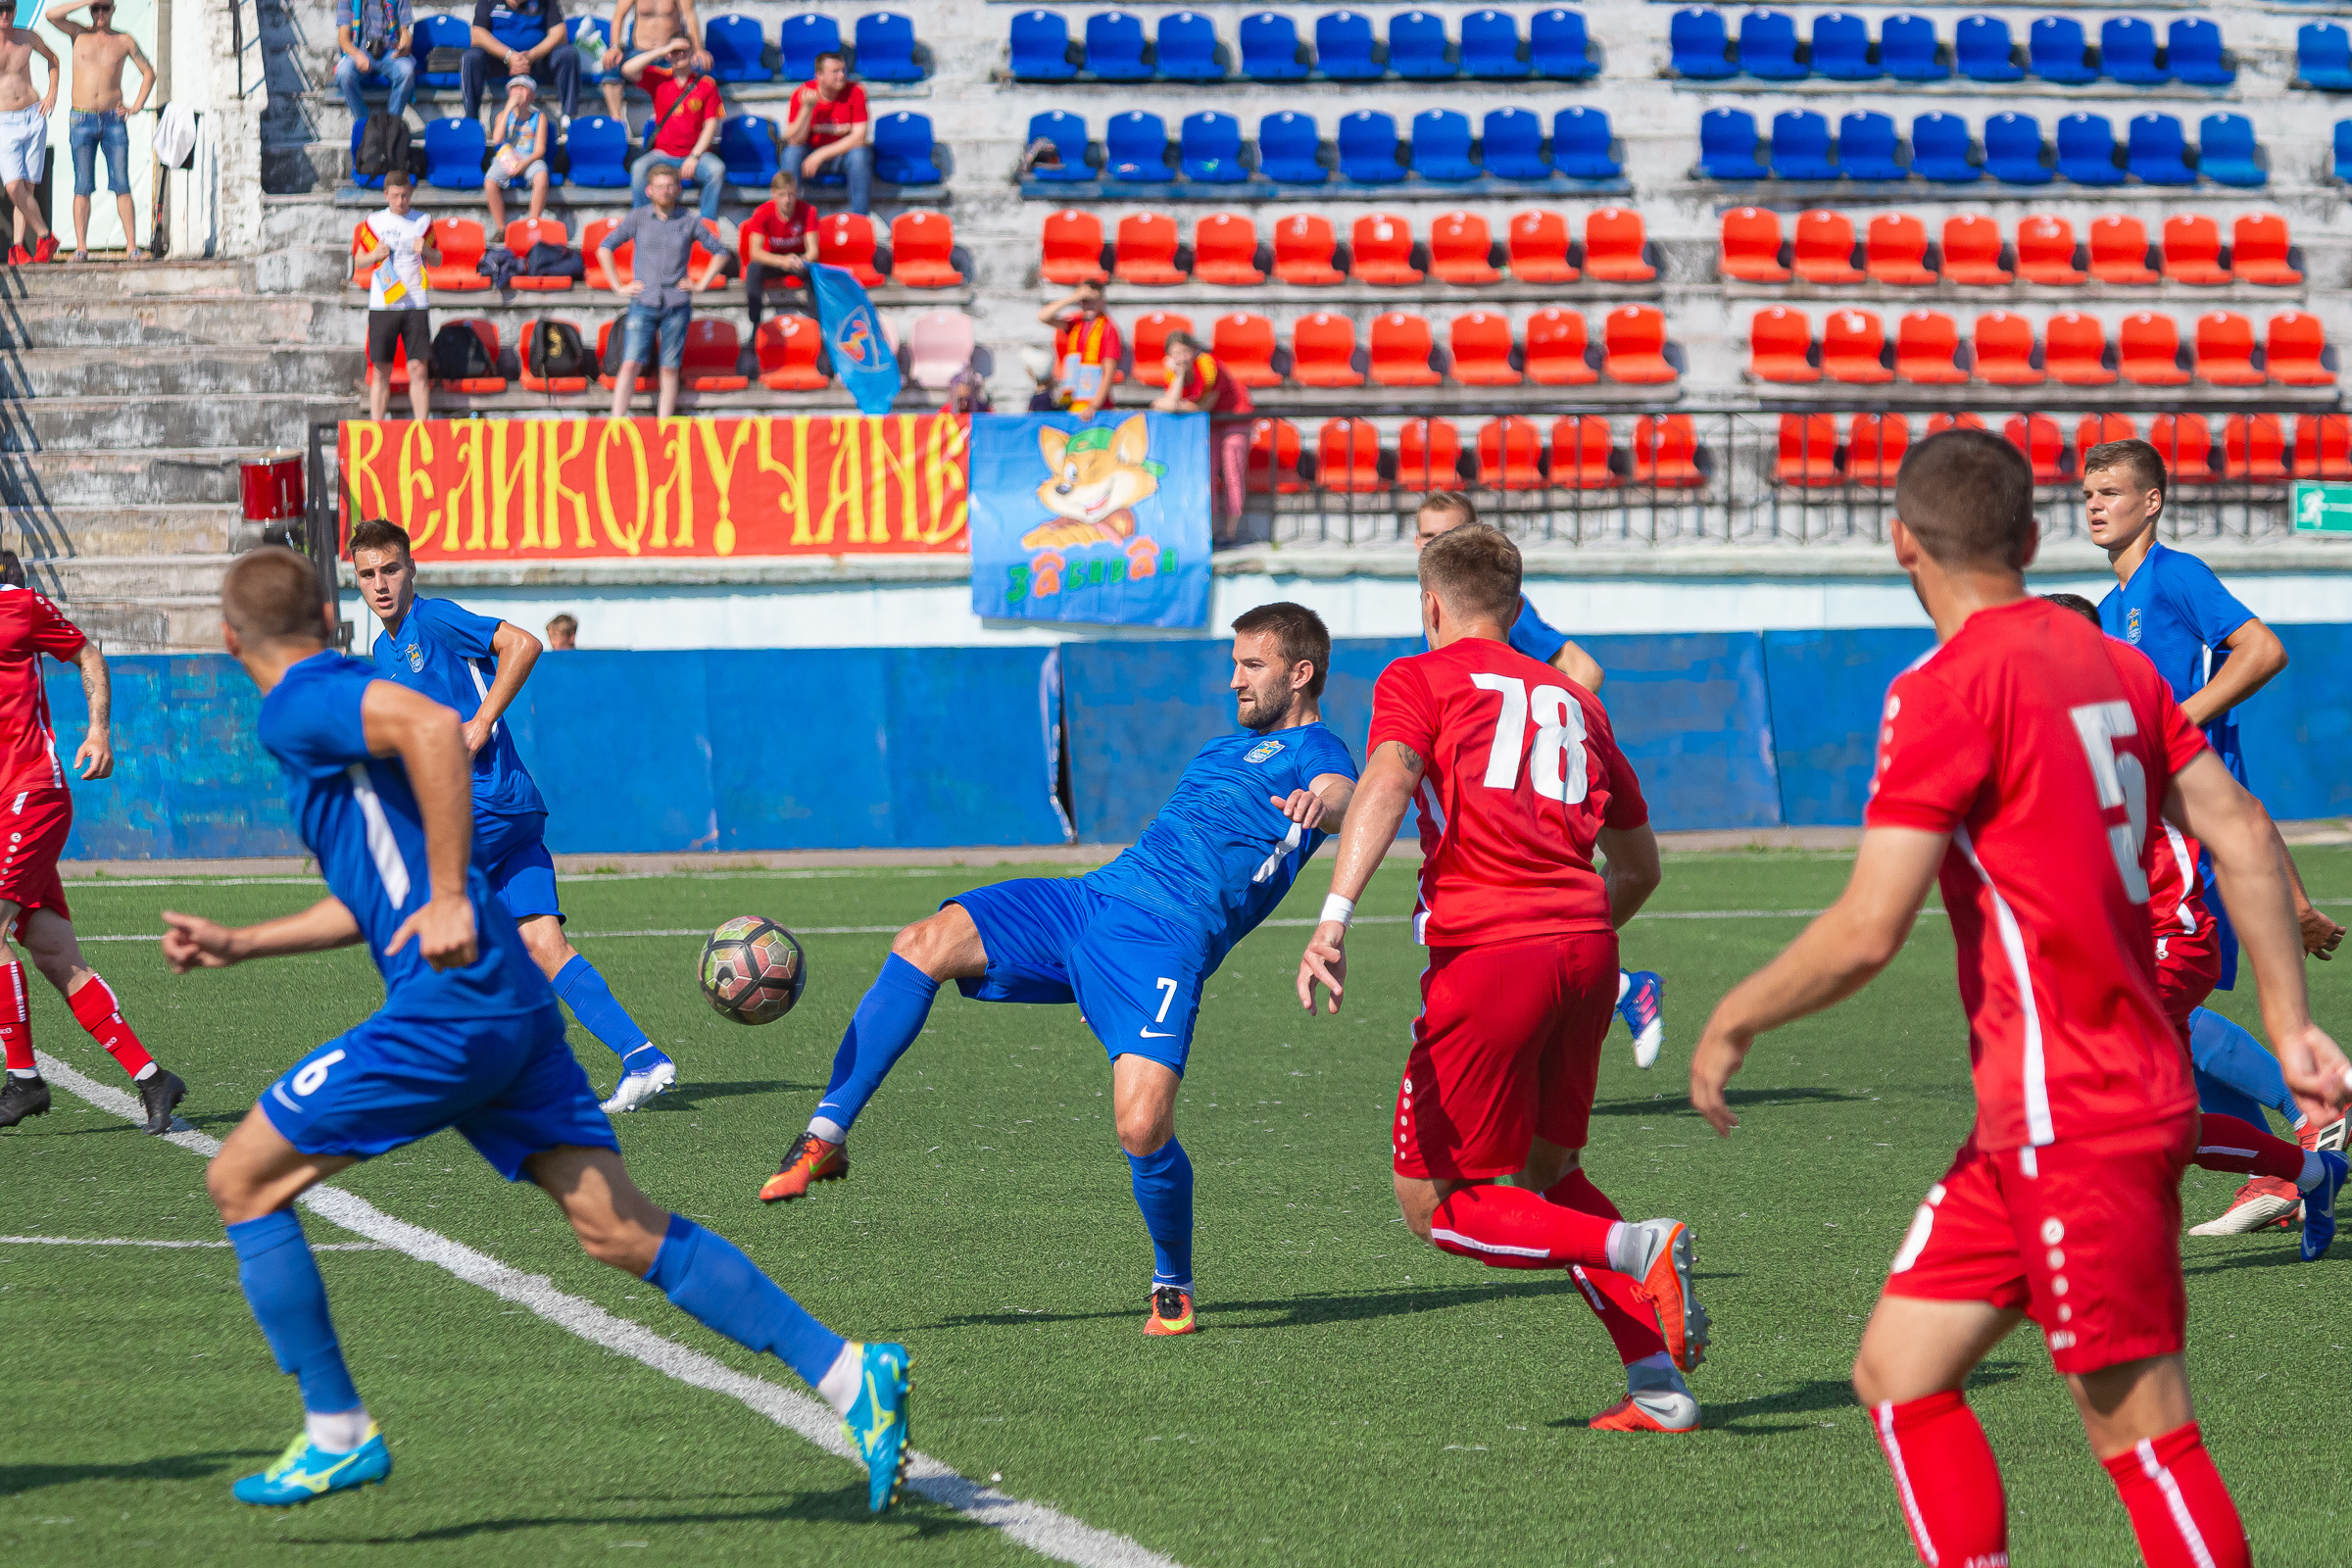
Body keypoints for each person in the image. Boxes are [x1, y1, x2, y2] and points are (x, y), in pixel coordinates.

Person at [1689, 429, 2352, 1568]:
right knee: (1899, 1374)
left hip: (2074, 1112)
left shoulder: (1942, 691)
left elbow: (1865, 930)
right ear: (2037, 537)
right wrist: (2291, 1021)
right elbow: (2238, 827)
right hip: (2033, 1120)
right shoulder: (2118, 662)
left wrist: (1735, 1014)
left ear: (1901, 543)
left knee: (2144, 1437)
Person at [168, 548, 911, 1512]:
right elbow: (377, 892)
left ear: (231, 641)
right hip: (508, 999)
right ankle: (851, 1372)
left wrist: (444, 892)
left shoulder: (298, 702)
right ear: (328, 605)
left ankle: (335, 1427)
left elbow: (439, 730)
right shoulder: (355, 689)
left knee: (238, 1178)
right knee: (617, 1227)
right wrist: (243, 939)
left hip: (453, 1007)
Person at [760, 604, 1360, 1339]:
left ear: (1301, 674)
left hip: (1161, 947)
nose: (1233, 679)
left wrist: (1323, 804)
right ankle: (825, 1135)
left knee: (1142, 1128)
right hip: (1090, 902)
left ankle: (1172, 1282)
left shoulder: (1316, 748)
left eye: (1252, 665)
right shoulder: (1213, 750)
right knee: (924, 940)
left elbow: (1345, 796)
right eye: (1233, 663)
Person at [1295, 525, 1706, 1434]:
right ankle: (1659, 1388)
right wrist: (1574, 934)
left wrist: (1334, 915)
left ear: (1431, 606)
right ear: (1517, 613)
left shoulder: (1417, 677)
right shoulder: (1575, 699)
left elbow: (1389, 779)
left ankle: (1639, 1245)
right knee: (1552, 1174)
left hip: (1490, 959)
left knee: (1437, 1206)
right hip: (1588, 952)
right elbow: (1639, 867)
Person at [2041, 590, 2345, 1251]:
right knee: (2173, 1126)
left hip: (2173, 941)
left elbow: (2246, 815)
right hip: (2133, 948)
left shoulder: (2141, 736)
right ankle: (2310, 1172)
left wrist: (2293, 905)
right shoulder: (2063, 738)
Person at [347, 517, 678, 1114]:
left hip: (484, 805)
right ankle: (644, 1059)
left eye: (390, 569)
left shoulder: (433, 619)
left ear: (411, 568)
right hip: (511, 810)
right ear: (357, 580)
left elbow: (524, 644)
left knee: (425, 925)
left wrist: (482, 720)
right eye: (368, 574)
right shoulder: (381, 651)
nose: (381, 584)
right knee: (543, 943)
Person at [1411, 493, 1664, 1066]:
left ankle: (1613, 988)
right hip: (1479, 788)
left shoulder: (1502, 609)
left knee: (1497, 910)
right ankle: (1618, 987)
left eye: (1448, 534)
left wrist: (1535, 735)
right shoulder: (1437, 607)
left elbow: (1584, 671)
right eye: (1426, 536)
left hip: (1522, 782)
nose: (1435, 546)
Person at [2082, 437, 2328, 995]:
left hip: (2196, 818)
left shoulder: (2175, 574)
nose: (2095, 506)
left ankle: (2310, 1082)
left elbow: (2264, 651)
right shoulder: (2107, 608)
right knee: (2158, 1003)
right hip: (2158, 821)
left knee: (2163, 997)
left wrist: (2176, 720)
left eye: (2111, 493)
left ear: (2151, 502)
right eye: (2089, 494)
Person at [0, 551, 185, 1136]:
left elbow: (86, 652)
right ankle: (154, 1078)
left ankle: (24, 1082)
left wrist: (99, 731)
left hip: (32, 793)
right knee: (56, 956)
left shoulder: (17, 605)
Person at [599, 162, 723, 419]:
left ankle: (664, 426)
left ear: (678, 189)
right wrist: (617, 286)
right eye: (659, 186)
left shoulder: (689, 221)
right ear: (648, 191)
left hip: (676, 304)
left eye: (670, 186)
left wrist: (701, 284)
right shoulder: (638, 218)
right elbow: (604, 248)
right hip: (643, 301)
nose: (665, 191)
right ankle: (616, 421)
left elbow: (721, 252)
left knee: (669, 368)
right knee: (630, 363)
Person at [45, 0, 151, 263]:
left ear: (114, 9)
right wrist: (86, 2)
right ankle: (81, 248)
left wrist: (136, 106)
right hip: (82, 119)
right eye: (96, 9)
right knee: (82, 185)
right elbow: (50, 15)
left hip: (113, 120)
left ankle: (131, 247)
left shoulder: (124, 40)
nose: (100, 13)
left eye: (104, 7)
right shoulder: (78, 33)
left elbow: (149, 73)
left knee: (121, 183)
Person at [1149, 330, 1251, 545]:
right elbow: (1171, 403)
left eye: (1185, 351)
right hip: (1210, 422)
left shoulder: (1208, 366)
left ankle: (1230, 534)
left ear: (1194, 351)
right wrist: (1177, 376)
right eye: (1175, 353)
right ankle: (1210, 533)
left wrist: (1174, 405)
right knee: (1207, 475)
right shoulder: (1173, 372)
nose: (1181, 357)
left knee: (1233, 472)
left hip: (1234, 418)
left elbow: (1205, 406)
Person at [353, 170, 437, 424]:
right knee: (380, 370)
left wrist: (428, 251)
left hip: (415, 301)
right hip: (383, 303)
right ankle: (377, 428)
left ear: (411, 193)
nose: (401, 201)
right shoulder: (374, 222)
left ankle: (422, 426)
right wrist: (374, 255)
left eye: (405, 195)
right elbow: (359, 259)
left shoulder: (423, 221)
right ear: (386, 194)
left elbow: (439, 258)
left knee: (418, 368)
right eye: (396, 196)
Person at [621, 36, 723, 220]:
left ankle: (707, 226)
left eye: (684, 50)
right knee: (638, 168)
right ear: (669, 55)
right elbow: (627, 69)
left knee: (716, 170)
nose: (680, 55)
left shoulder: (707, 84)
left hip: (694, 156)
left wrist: (694, 156)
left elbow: (711, 125)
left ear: (693, 53)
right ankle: (643, 222)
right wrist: (662, 50)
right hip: (663, 155)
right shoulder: (660, 78)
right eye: (675, 51)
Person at [780, 51, 868, 215]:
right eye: (835, 71)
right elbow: (793, 140)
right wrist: (807, 109)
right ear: (819, 75)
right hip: (809, 154)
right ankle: (788, 220)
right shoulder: (803, 93)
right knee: (790, 154)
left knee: (860, 156)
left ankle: (861, 221)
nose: (842, 75)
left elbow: (859, 137)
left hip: (841, 156)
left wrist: (820, 154)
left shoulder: (856, 91)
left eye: (843, 70)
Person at [0, 21, 59, 265]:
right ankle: (46, 235)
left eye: (9, 8)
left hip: (33, 115)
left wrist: (52, 93)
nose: (5, 14)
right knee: (13, 187)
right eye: (1, 8)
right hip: (5, 120)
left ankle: (18, 249)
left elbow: (53, 59)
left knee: (26, 189)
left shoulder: (27, 37)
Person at [462, 0, 577, 124]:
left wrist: (531, 56)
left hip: (537, 62)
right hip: (499, 62)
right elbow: (477, 34)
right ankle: (471, 120)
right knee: (471, 57)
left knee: (568, 54)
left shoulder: (546, 2)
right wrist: (508, 56)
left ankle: (568, 117)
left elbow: (559, 33)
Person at [593, 0, 704, 122]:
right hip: (640, 51)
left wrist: (697, 50)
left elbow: (690, 15)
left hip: (670, 53)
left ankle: (686, 121)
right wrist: (615, 47)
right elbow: (619, 16)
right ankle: (617, 122)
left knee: (700, 67)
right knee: (611, 67)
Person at [738, 166, 813, 333]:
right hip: (772, 261)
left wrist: (801, 260)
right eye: (782, 195)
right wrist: (781, 260)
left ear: (797, 193)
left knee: (813, 272)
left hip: (797, 261)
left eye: (791, 194)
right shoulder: (762, 213)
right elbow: (755, 252)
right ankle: (755, 326)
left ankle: (818, 325)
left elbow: (813, 252)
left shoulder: (808, 211)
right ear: (773, 194)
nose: (787, 200)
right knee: (753, 269)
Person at [1038, 279, 1120, 421]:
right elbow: (1043, 317)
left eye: (1092, 300)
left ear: (1102, 301)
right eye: (1084, 301)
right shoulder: (1076, 323)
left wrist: (1094, 406)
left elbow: (1108, 372)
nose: (1088, 305)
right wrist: (1073, 298)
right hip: (1072, 401)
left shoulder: (1109, 329)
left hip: (1095, 407)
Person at [330, 0, 414, 128]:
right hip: (359, 51)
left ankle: (391, 124)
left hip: (389, 52)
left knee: (406, 70)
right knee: (343, 72)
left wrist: (403, 48)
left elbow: (405, 33)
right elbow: (343, 38)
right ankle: (364, 125)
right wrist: (357, 55)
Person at [481, 74, 550, 230]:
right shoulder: (502, 116)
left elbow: (540, 150)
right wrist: (507, 109)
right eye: (514, 88)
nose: (518, 91)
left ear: (532, 95)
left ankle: (533, 222)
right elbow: (497, 139)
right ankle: (501, 228)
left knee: (542, 177)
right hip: (507, 156)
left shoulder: (539, 117)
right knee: (490, 181)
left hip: (530, 158)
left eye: (523, 88)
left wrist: (524, 164)